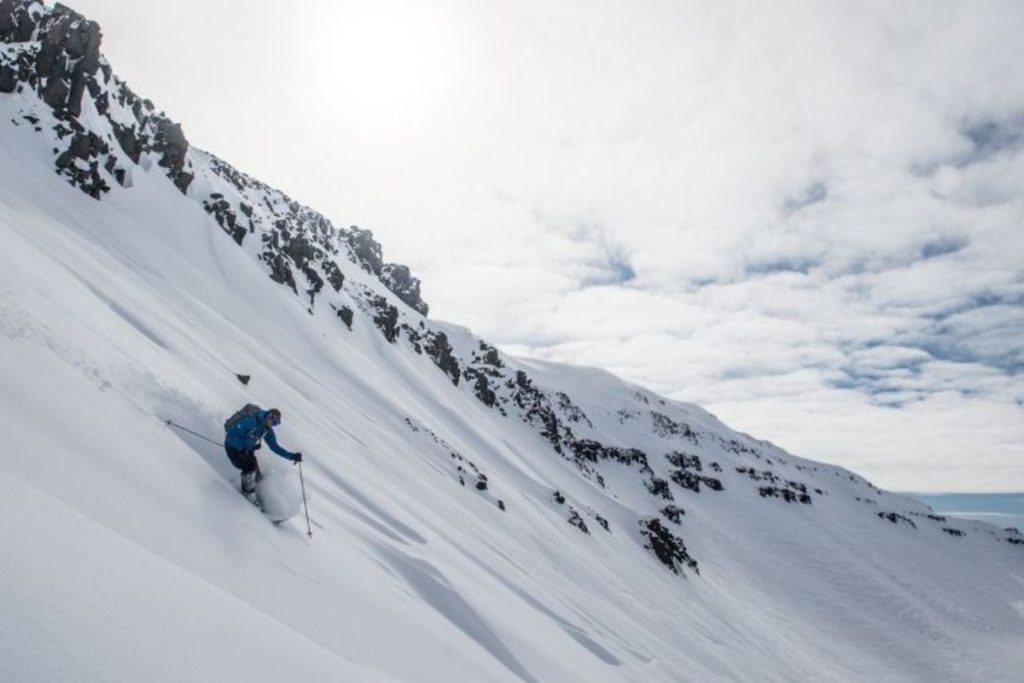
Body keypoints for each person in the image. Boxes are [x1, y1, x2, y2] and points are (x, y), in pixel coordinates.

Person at [224, 406, 302, 507]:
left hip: (245, 451)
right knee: (249, 466)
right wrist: (240, 449)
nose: (271, 423)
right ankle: (247, 493)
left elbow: (275, 447)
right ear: (267, 415)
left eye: (275, 423)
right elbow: (233, 434)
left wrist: (291, 456)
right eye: (271, 419)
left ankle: (260, 496)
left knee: (257, 474)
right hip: (233, 448)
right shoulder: (251, 421)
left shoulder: (267, 431)